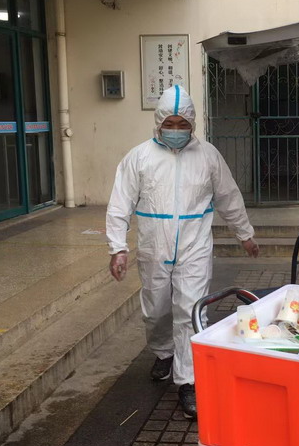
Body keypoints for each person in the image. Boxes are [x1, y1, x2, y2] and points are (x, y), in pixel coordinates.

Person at [106, 85, 259, 420]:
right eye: (170, 124)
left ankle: (188, 381)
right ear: (159, 123)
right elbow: (119, 204)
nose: (176, 130)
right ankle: (164, 352)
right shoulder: (139, 158)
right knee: (156, 309)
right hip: (154, 246)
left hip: (194, 246)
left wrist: (244, 234)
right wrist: (118, 248)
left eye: (182, 124)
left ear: (192, 124)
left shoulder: (208, 156)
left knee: (191, 311)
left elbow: (228, 197)